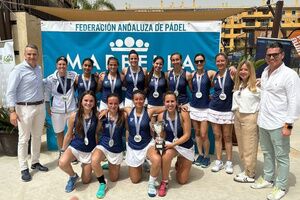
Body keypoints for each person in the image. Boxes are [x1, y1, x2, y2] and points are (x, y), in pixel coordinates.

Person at [251, 42, 300, 200]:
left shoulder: (290, 75)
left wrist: (289, 125)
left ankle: (281, 186)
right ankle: (267, 178)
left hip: (279, 124)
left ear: (282, 55)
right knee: (267, 153)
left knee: (282, 156)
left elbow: (294, 101)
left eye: (275, 55)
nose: (271, 57)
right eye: (269, 55)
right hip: (263, 121)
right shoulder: (265, 71)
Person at [6, 43, 48, 182]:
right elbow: (10, 91)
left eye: (34, 54)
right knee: (24, 139)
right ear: (24, 55)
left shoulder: (38, 68)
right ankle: (23, 168)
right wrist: (12, 111)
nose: (32, 56)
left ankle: (35, 162)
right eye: (29, 54)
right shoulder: (18, 70)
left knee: (37, 136)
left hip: (39, 107)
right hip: (24, 108)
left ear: (37, 55)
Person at [123, 90, 164, 197]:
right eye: (136, 99)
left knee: (157, 159)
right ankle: (143, 162)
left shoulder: (149, 111)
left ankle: (151, 183)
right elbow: (115, 108)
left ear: (144, 100)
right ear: (133, 100)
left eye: (141, 99)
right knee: (135, 180)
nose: (139, 101)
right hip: (133, 146)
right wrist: (105, 111)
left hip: (147, 143)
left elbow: (166, 107)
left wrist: (179, 107)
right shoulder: (128, 110)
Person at [59, 91, 100, 193]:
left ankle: (85, 165)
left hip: (89, 150)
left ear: (94, 103)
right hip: (75, 147)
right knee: (62, 162)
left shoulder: (97, 116)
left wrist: (97, 153)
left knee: (86, 181)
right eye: (86, 100)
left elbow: (97, 134)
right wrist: (63, 150)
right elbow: (68, 134)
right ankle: (73, 176)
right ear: (81, 101)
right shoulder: (74, 115)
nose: (88, 103)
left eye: (91, 101)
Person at [157, 91, 194, 197]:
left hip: (185, 145)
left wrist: (172, 145)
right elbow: (162, 134)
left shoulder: (183, 112)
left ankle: (180, 161)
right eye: (167, 101)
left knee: (182, 181)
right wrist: (159, 139)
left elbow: (187, 135)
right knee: (166, 155)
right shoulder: (161, 116)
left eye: (172, 101)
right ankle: (164, 182)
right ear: (164, 103)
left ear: (177, 102)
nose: (170, 104)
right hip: (171, 144)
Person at [91, 93, 126, 198]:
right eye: (110, 103)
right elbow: (97, 132)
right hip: (104, 145)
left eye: (116, 103)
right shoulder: (103, 115)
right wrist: (96, 147)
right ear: (107, 104)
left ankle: (110, 164)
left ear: (119, 104)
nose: (113, 106)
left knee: (114, 178)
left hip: (117, 148)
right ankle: (102, 183)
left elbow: (131, 111)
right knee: (94, 160)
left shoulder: (123, 115)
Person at [231, 60, 260, 183]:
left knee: (250, 147)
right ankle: (246, 169)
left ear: (251, 71)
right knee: (242, 147)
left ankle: (250, 174)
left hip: (250, 117)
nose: (243, 72)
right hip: (238, 116)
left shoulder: (257, 85)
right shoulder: (239, 85)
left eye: (246, 69)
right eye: (241, 69)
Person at [44, 56, 77, 155]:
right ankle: (62, 153)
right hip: (57, 110)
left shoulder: (73, 75)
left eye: (64, 64)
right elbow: (47, 93)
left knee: (72, 132)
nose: (62, 66)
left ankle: (71, 154)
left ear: (67, 65)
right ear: (56, 65)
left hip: (71, 109)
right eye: (60, 64)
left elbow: (84, 80)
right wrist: (47, 107)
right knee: (59, 133)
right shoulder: (50, 79)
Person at [208, 52, 235, 174]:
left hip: (227, 110)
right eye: (218, 61)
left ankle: (229, 161)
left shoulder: (232, 73)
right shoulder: (215, 75)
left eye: (222, 61)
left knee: (228, 137)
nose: (220, 63)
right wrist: (213, 96)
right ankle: (219, 160)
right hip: (214, 109)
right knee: (217, 136)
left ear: (227, 62)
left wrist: (234, 67)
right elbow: (215, 89)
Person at [188, 53, 216, 168]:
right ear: (195, 63)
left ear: (204, 62)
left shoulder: (210, 73)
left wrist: (212, 94)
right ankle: (200, 154)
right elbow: (192, 89)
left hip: (205, 108)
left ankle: (207, 156)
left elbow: (219, 83)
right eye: (197, 61)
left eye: (201, 61)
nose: (199, 63)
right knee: (198, 133)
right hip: (194, 107)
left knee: (204, 134)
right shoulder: (192, 75)